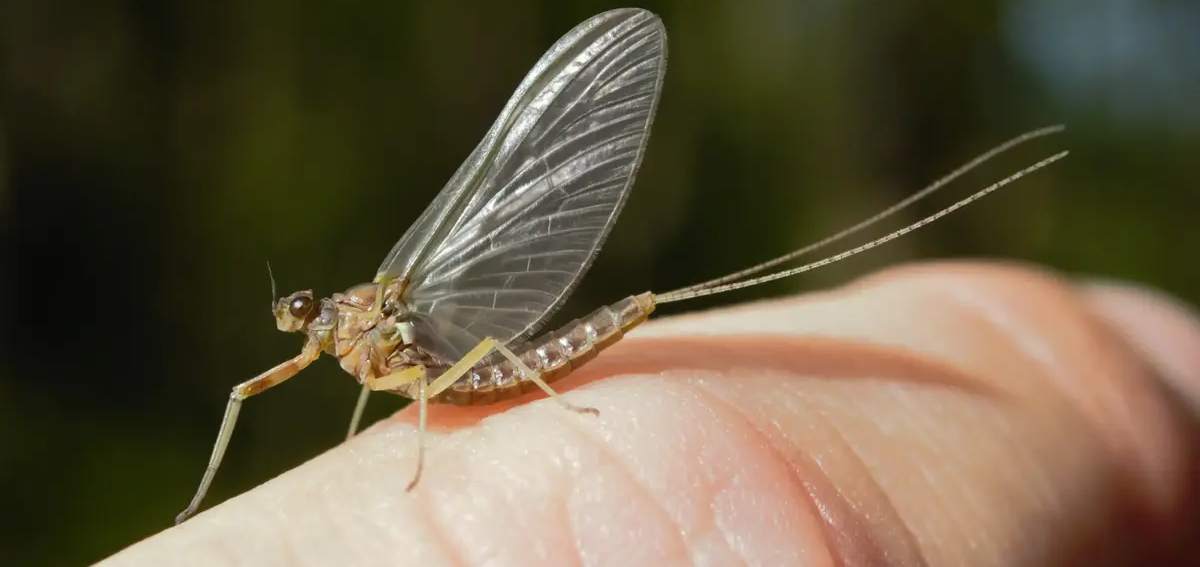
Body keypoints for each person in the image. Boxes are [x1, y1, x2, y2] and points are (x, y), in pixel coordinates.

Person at [98, 262, 1200, 566]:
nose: (301, 323)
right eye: (301, 315)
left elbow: (447, 363)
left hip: (500, 361)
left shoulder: (381, 316)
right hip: (460, 369)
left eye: (305, 311)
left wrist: (466, 435)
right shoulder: (336, 344)